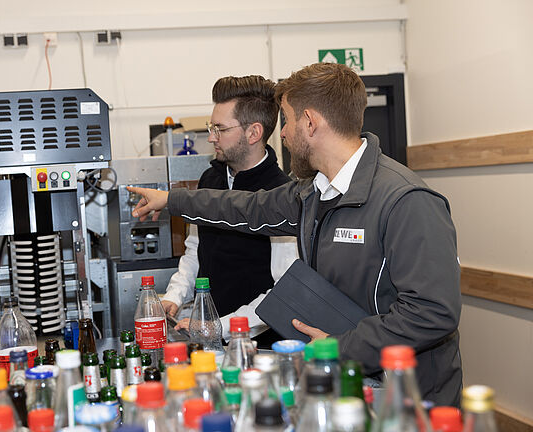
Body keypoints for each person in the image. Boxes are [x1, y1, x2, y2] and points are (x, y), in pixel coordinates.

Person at [128, 63, 462, 406]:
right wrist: (172, 200)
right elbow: (245, 208)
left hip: (411, 398)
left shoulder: (407, 201)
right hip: (347, 383)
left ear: (310, 122)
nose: (283, 133)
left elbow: (431, 312)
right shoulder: (313, 194)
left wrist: (340, 347)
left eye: (286, 120)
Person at [161, 75, 297, 346]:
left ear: (253, 133)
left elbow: (283, 291)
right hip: (208, 339)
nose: (211, 137)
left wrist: (220, 327)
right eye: (211, 127)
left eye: (220, 129)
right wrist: (174, 295)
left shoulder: (281, 195)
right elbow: (195, 249)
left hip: (258, 347)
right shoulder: (210, 180)